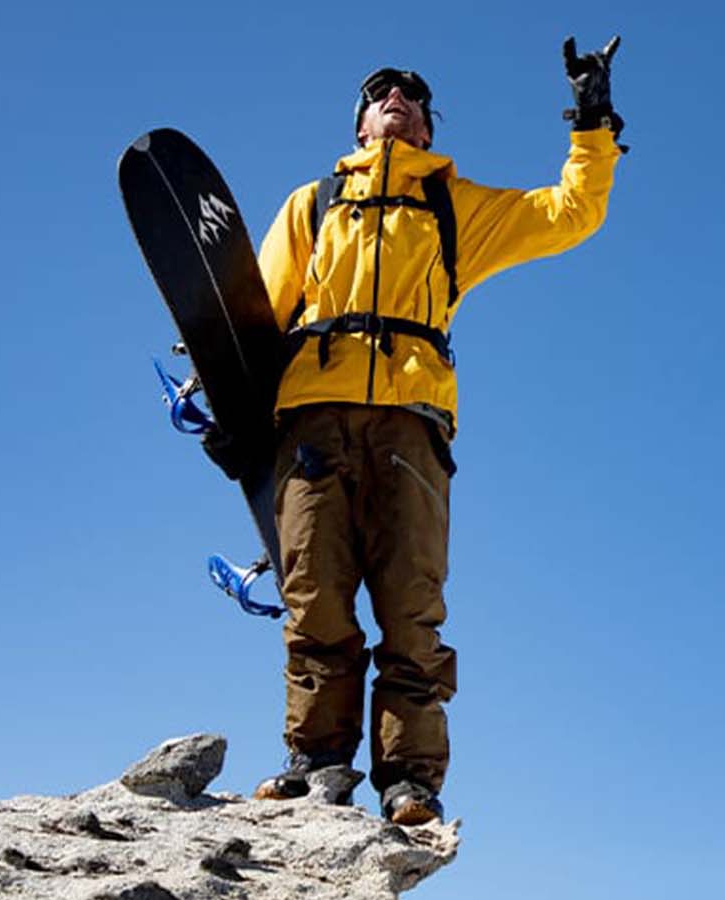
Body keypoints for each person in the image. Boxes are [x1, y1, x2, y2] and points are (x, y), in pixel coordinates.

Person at [247, 37, 625, 826]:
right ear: (360, 125)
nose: (398, 97)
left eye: (413, 96)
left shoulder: (457, 208)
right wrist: (228, 398)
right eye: (382, 92)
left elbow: (571, 212)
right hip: (314, 414)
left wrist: (592, 122)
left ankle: (409, 781)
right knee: (314, 598)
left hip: (414, 427)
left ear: (426, 128)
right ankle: (316, 762)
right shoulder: (310, 205)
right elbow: (258, 314)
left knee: (411, 607)